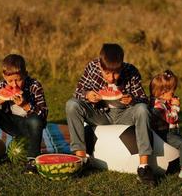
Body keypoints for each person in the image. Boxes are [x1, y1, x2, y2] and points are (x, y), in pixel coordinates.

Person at [66, 43, 155, 185]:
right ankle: (81, 159)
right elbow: (78, 92)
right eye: (107, 73)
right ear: (100, 66)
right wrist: (87, 95)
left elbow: (144, 99)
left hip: (124, 114)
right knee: (72, 105)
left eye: (116, 72)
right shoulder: (92, 67)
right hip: (101, 115)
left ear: (122, 65)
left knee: (142, 109)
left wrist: (133, 99)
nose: (111, 78)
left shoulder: (131, 70)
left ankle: (144, 167)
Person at [0, 54, 48, 174]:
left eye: (18, 80)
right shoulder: (2, 86)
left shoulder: (34, 86)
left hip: (30, 127)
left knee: (35, 120)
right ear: (4, 77)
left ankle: (33, 159)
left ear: (25, 74)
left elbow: (43, 115)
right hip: (10, 125)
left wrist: (25, 106)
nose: (14, 85)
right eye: (10, 81)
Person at [149, 70, 182, 181]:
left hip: (170, 132)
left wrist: (171, 104)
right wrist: (175, 107)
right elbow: (172, 119)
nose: (174, 93)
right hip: (163, 134)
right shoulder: (158, 106)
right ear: (163, 93)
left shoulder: (164, 102)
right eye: (172, 92)